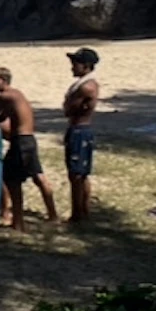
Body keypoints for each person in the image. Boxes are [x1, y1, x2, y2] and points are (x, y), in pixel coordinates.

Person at [0, 69, 58, 229]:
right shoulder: (17, 94)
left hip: (19, 142)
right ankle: (53, 215)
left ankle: (17, 221)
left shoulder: (4, 96)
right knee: (38, 177)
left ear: (3, 80)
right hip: (29, 140)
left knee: (11, 180)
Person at [63, 48, 101, 224]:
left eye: (75, 64)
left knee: (76, 175)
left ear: (86, 66)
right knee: (81, 173)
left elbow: (69, 109)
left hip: (79, 130)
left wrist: (67, 103)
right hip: (81, 129)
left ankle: (77, 213)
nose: (72, 67)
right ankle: (83, 210)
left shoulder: (85, 87)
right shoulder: (86, 84)